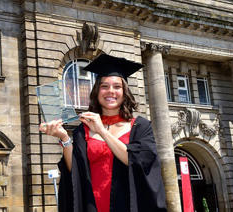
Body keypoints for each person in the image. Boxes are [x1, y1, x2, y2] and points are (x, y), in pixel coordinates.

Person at [39, 54, 167, 212]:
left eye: (117, 87)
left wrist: (102, 131)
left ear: (124, 91)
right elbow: (75, 170)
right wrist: (64, 137)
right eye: (104, 86)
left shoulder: (140, 127)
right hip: (93, 206)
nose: (110, 91)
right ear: (97, 91)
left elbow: (138, 161)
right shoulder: (83, 129)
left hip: (129, 205)